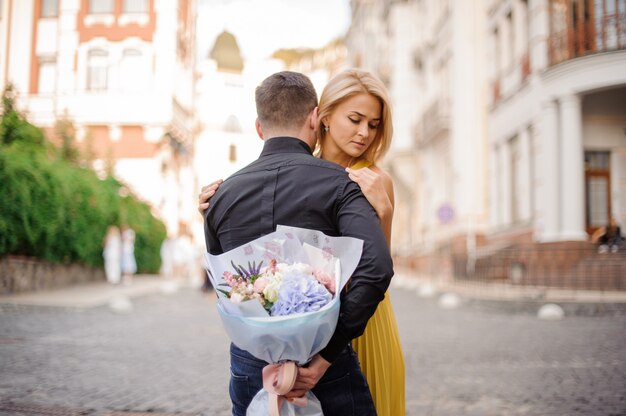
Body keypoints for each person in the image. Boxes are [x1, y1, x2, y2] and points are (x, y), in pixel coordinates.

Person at [200, 69, 405, 415]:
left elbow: (379, 263)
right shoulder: (306, 171)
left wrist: (383, 213)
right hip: (306, 317)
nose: (363, 133)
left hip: (363, 315)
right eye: (355, 119)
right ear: (320, 117)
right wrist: (209, 211)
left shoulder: (375, 179)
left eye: (373, 124)